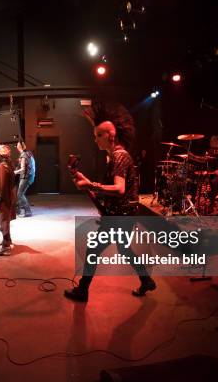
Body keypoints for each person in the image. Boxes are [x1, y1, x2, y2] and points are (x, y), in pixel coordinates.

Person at [64, 101, 156, 302]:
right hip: (123, 216)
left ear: (110, 136)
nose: (95, 140)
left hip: (120, 218)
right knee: (124, 248)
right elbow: (112, 192)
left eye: (99, 135)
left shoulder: (119, 157)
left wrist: (91, 185)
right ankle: (146, 280)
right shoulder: (115, 157)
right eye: (94, 135)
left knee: (93, 250)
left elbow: (119, 189)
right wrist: (87, 184)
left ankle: (82, 291)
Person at [14, 141, 36, 217]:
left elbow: (23, 169)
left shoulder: (23, 155)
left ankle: (28, 211)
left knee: (20, 194)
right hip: (27, 177)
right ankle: (20, 210)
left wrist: (14, 172)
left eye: (17, 144)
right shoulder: (26, 154)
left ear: (19, 146)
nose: (16, 146)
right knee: (21, 194)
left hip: (25, 177)